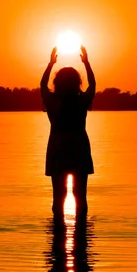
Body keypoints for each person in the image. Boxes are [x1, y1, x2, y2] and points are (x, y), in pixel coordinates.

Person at [41, 46, 96, 215]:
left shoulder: (52, 102)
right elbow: (93, 84)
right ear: (77, 83)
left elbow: (42, 84)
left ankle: (58, 234)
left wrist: (50, 64)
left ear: (57, 83)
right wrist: (86, 63)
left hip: (58, 152)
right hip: (79, 151)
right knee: (81, 197)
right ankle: (81, 235)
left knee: (58, 197)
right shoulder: (81, 102)